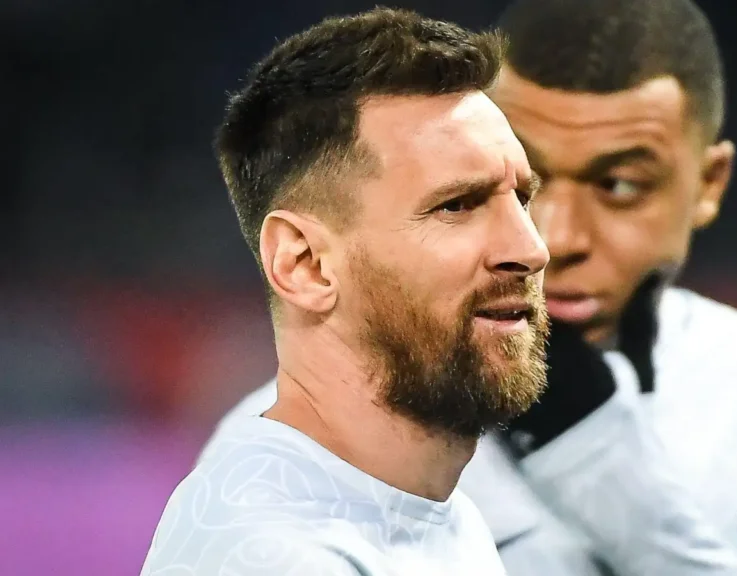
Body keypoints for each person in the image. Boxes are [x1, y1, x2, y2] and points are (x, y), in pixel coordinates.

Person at [206, 0, 737, 574]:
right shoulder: (319, 463)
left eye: (621, 185)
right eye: (462, 201)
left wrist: (598, 459)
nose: (548, 240)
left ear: (709, 183)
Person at [141, 8, 552, 576]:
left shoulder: (431, 515)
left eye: (522, 199)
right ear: (305, 265)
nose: (531, 249)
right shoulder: (276, 556)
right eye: (457, 205)